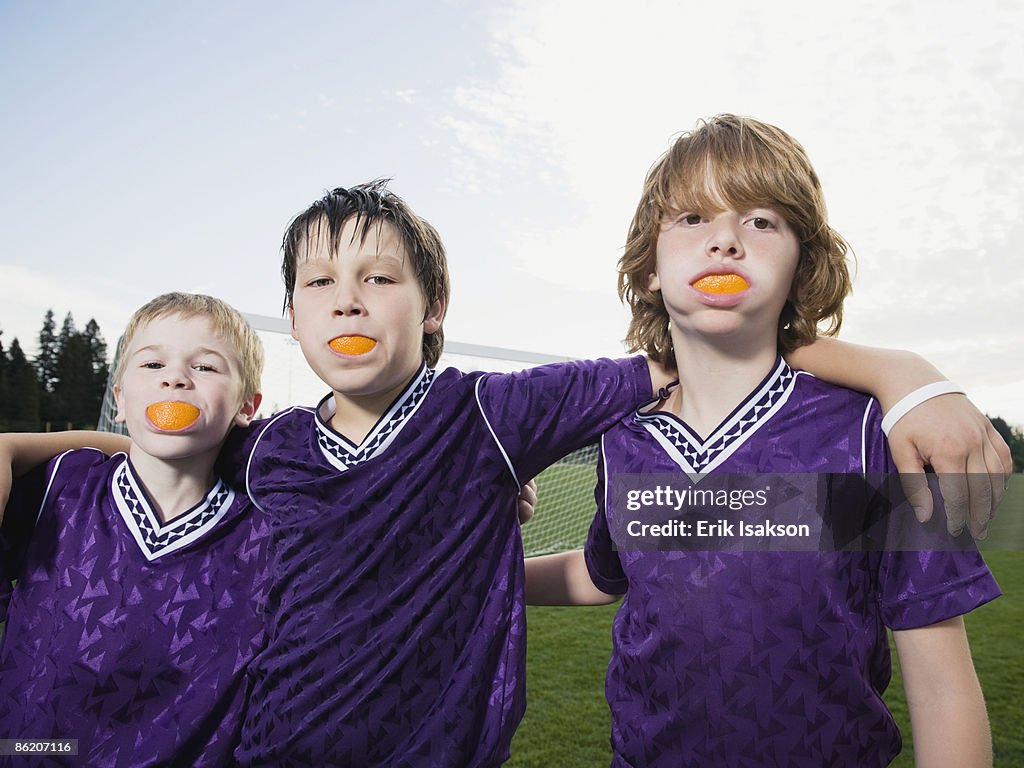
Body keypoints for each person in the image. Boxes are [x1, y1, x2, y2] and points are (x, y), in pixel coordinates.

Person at [0, 180, 1009, 766]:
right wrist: (31, 448)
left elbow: (707, 350)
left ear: (434, 309)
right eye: (319, 285)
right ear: (295, 317)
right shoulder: (275, 449)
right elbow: (150, 443)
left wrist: (897, 373)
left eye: (379, 279)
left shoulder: (492, 414)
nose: (347, 302)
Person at [525, 115, 1001, 767]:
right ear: (650, 270)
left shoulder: (874, 433)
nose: (724, 239)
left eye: (761, 220)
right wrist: (480, 570)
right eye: (692, 218)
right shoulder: (622, 436)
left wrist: (909, 376)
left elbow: (943, 683)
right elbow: (602, 575)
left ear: (801, 263)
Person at [0, 293, 269, 766]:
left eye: (205, 367)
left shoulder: (270, 532)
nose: (174, 377)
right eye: (151, 364)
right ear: (120, 399)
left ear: (247, 405)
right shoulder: (62, 484)